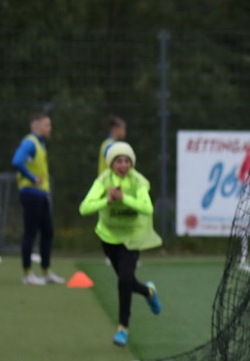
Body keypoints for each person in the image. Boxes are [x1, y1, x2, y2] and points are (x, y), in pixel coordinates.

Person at [79, 141, 162, 347]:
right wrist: (107, 201)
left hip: (132, 238)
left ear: (132, 163)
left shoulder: (138, 181)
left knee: (124, 280)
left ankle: (122, 329)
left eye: (127, 161)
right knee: (127, 281)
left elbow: (147, 208)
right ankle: (148, 292)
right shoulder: (104, 180)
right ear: (111, 164)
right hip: (108, 237)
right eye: (119, 161)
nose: (123, 165)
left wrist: (123, 198)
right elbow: (84, 208)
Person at [11, 112, 64, 285]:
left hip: (41, 194)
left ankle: (46, 271)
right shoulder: (30, 142)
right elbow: (17, 161)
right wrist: (32, 177)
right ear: (36, 126)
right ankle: (28, 273)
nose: (50, 128)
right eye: (47, 125)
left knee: (48, 232)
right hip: (31, 192)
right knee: (30, 232)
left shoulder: (40, 144)